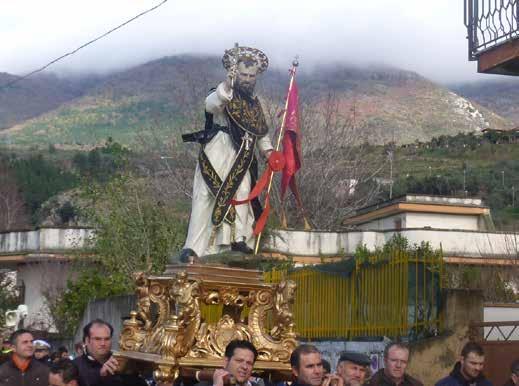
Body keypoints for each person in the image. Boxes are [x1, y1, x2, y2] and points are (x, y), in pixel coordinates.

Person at [179, 45, 274, 261]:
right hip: (219, 151)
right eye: (243, 74)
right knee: (205, 195)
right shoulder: (223, 93)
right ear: (234, 73)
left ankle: (237, 239)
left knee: (242, 194)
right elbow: (211, 105)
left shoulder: (254, 105)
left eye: (251, 76)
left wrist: (270, 153)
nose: (247, 79)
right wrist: (227, 86)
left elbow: (261, 133)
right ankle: (193, 246)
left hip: (244, 156)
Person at [73, 318, 146, 386]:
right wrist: (101, 376)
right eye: (97, 339)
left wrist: (131, 373)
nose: (103, 343)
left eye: (107, 339)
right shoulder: (74, 366)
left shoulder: (122, 362)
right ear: (86, 340)